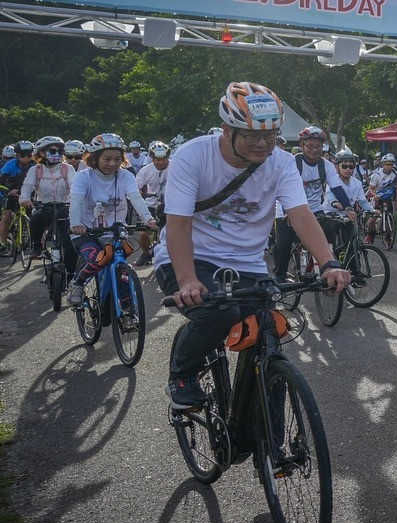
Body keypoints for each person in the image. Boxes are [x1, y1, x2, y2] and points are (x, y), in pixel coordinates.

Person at [157, 81, 349, 408]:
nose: (263, 144)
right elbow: (179, 223)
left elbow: (301, 214)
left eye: (271, 135)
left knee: (268, 340)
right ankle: (182, 374)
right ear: (226, 130)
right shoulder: (192, 156)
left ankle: (276, 451)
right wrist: (188, 280)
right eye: (252, 136)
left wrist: (328, 263)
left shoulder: (282, 163)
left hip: (249, 265)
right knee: (220, 314)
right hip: (193, 258)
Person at [66, 134, 158, 306]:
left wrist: (148, 218)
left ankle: (128, 310)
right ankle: (77, 284)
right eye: (107, 158)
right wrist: (76, 224)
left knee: (121, 268)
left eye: (117, 159)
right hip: (86, 232)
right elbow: (76, 200)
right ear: (95, 158)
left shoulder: (126, 176)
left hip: (114, 231)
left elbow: (135, 198)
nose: (112, 164)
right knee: (98, 260)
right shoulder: (84, 177)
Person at [270, 126, 352, 281]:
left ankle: (324, 266)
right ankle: (279, 276)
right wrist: (288, 211)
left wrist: (348, 208)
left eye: (318, 146)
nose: (315, 150)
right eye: (310, 146)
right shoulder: (292, 163)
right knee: (283, 245)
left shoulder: (326, 165)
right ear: (302, 146)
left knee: (329, 230)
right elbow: (282, 189)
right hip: (288, 209)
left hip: (314, 209)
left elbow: (337, 188)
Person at [19, 136, 77, 272]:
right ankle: (37, 244)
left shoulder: (67, 169)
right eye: (52, 151)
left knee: (70, 246)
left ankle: (71, 276)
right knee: (35, 218)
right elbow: (27, 186)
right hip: (44, 207)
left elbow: (74, 185)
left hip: (65, 207)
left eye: (60, 151)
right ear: (42, 153)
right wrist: (24, 197)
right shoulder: (35, 170)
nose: (57, 154)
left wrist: (77, 199)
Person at [325, 148, 375, 250]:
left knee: (352, 244)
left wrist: (372, 210)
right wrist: (335, 203)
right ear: (337, 167)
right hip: (331, 215)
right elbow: (330, 195)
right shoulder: (333, 180)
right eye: (344, 166)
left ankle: (352, 264)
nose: (348, 169)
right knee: (329, 241)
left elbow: (362, 200)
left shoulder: (357, 183)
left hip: (347, 216)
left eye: (351, 166)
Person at [134, 141, 171, 266]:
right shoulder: (146, 171)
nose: (161, 162)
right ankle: (146, 254)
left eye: (164, 159)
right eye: (157, 159)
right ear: (152, 158)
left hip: (169, 205)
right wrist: (140, 192)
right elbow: (135, 187)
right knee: (144, 233)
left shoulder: (176, 167)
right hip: (151, 204)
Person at [0, 140, 35, 252]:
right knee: (6, 216)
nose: (26, 158)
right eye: (22, 156)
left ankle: (38, 244)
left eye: (29, 155)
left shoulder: (35, 165)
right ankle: (3, 243)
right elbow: (1, 182)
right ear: (17, 155)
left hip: (29, 195)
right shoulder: (10, 164)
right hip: (11, 194)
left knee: (36, 217)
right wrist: (8, 192)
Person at [365, 153, 397, 244]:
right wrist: (375, 196)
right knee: (373, 219)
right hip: (378, 198)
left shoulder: (396, 173)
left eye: (391, 164)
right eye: (387, 164)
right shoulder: (377, 175)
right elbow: (371, 189)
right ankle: (369, 234)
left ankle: (388, 237)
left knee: (390, 219)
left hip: (388, 199)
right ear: (383, 164)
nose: (389, 166)